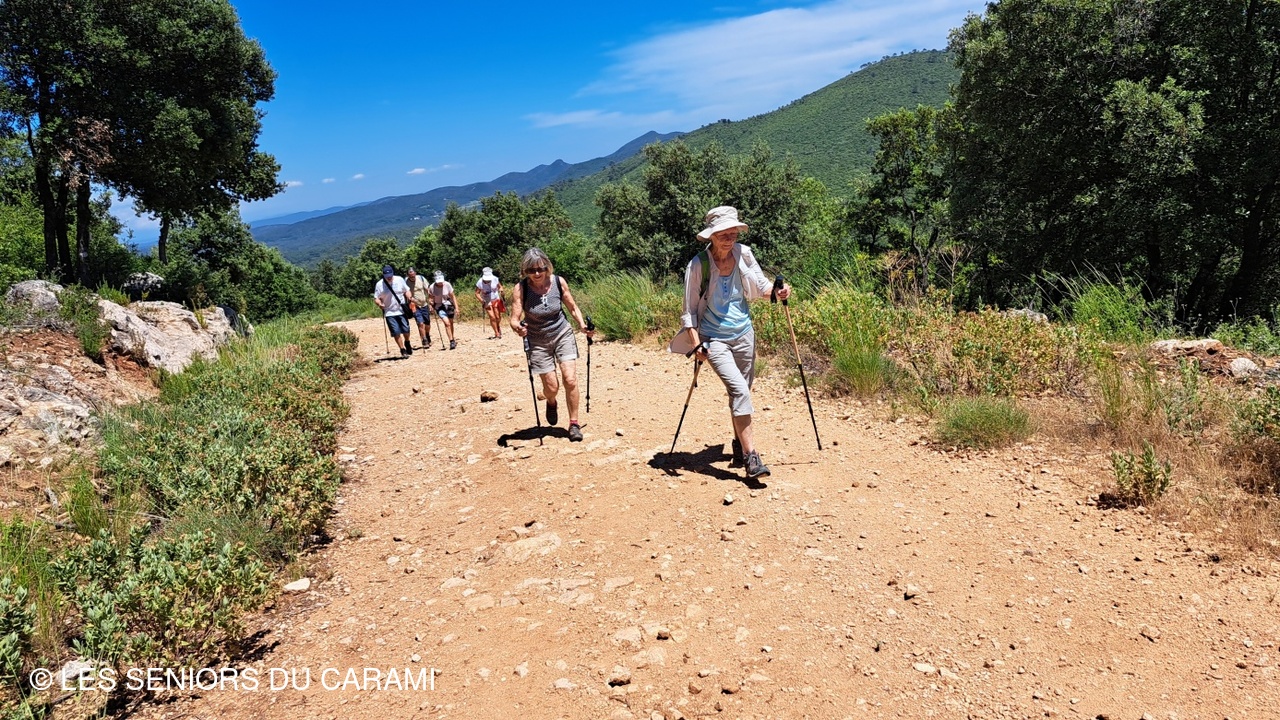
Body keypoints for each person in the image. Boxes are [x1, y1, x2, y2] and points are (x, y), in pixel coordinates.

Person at [680, 206, 790, 479]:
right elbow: (689, 311)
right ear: (711, 235)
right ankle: (752, 457)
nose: (730, 239)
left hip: (744, 334)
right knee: (740, 390)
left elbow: (762, 288)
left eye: (733, 233)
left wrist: (778, 292)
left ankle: (739, 445)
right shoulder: (698, 265)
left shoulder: (744, 254)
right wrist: (696, 345)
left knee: (741, 392)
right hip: (714, 338)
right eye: (723, 234)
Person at [510, 248, 594, 442]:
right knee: (552, 387)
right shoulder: (521, 289)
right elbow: (514, 318)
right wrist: (518, 328)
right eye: (531, 270)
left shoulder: (558, 282)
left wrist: (582, 325)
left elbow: (572, 307)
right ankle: (551, 400)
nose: (537, 273)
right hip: (537, 340)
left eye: (541, 268)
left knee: (570, 379)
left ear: (547, 267)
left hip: (562, 333)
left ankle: (574, 424)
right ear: (525, 271)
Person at [374, 265, 414, 357]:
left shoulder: (399, 279)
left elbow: (407, 290)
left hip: (401, 310)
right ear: (383, 275)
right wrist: (379, 304)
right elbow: (376, 298)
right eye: (387, 276)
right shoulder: (379, 284)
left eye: (390, 276)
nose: (389, 277)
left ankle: (407, 342)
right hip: (389, 312)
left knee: (406, 330)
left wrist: (409, 297)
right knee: (396, 332)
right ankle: (402, 349)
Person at [429, 271, 459, 350]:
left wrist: (457, 308)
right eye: (438, 282)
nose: (440, 283)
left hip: (449, 305)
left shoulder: (447, 284)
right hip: (439, 306)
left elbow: (453, 296)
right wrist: (431, 304)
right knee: (447, 323)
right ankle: (451, 341)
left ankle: (452, 337)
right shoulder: (432, 287)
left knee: (451, 323)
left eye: (441, 281)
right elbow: (430, 297)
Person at [405, 267, 433, 349]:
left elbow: (428, 290)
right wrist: (410, 300)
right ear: (408, 275)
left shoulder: (421, 279)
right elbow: (405, 293)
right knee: (420, 323)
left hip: (424, 304)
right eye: (410, 276)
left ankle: (427, 334)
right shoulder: (405, 282)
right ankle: (424, 340)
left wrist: (430, 302)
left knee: (427, 324)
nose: (412, 277)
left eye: (413, 275)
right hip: (414, 306)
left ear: (415, 273)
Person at [475, 267, 505, 339]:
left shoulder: (495, 279)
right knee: (492, 317)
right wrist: (481, 300)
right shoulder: (480, 282)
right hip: (486, 301)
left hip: (496, 299)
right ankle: (496, 333)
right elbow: (477, 293)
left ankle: (498, 326)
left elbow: (500, 287)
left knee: (497, 317)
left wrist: (501, 290)